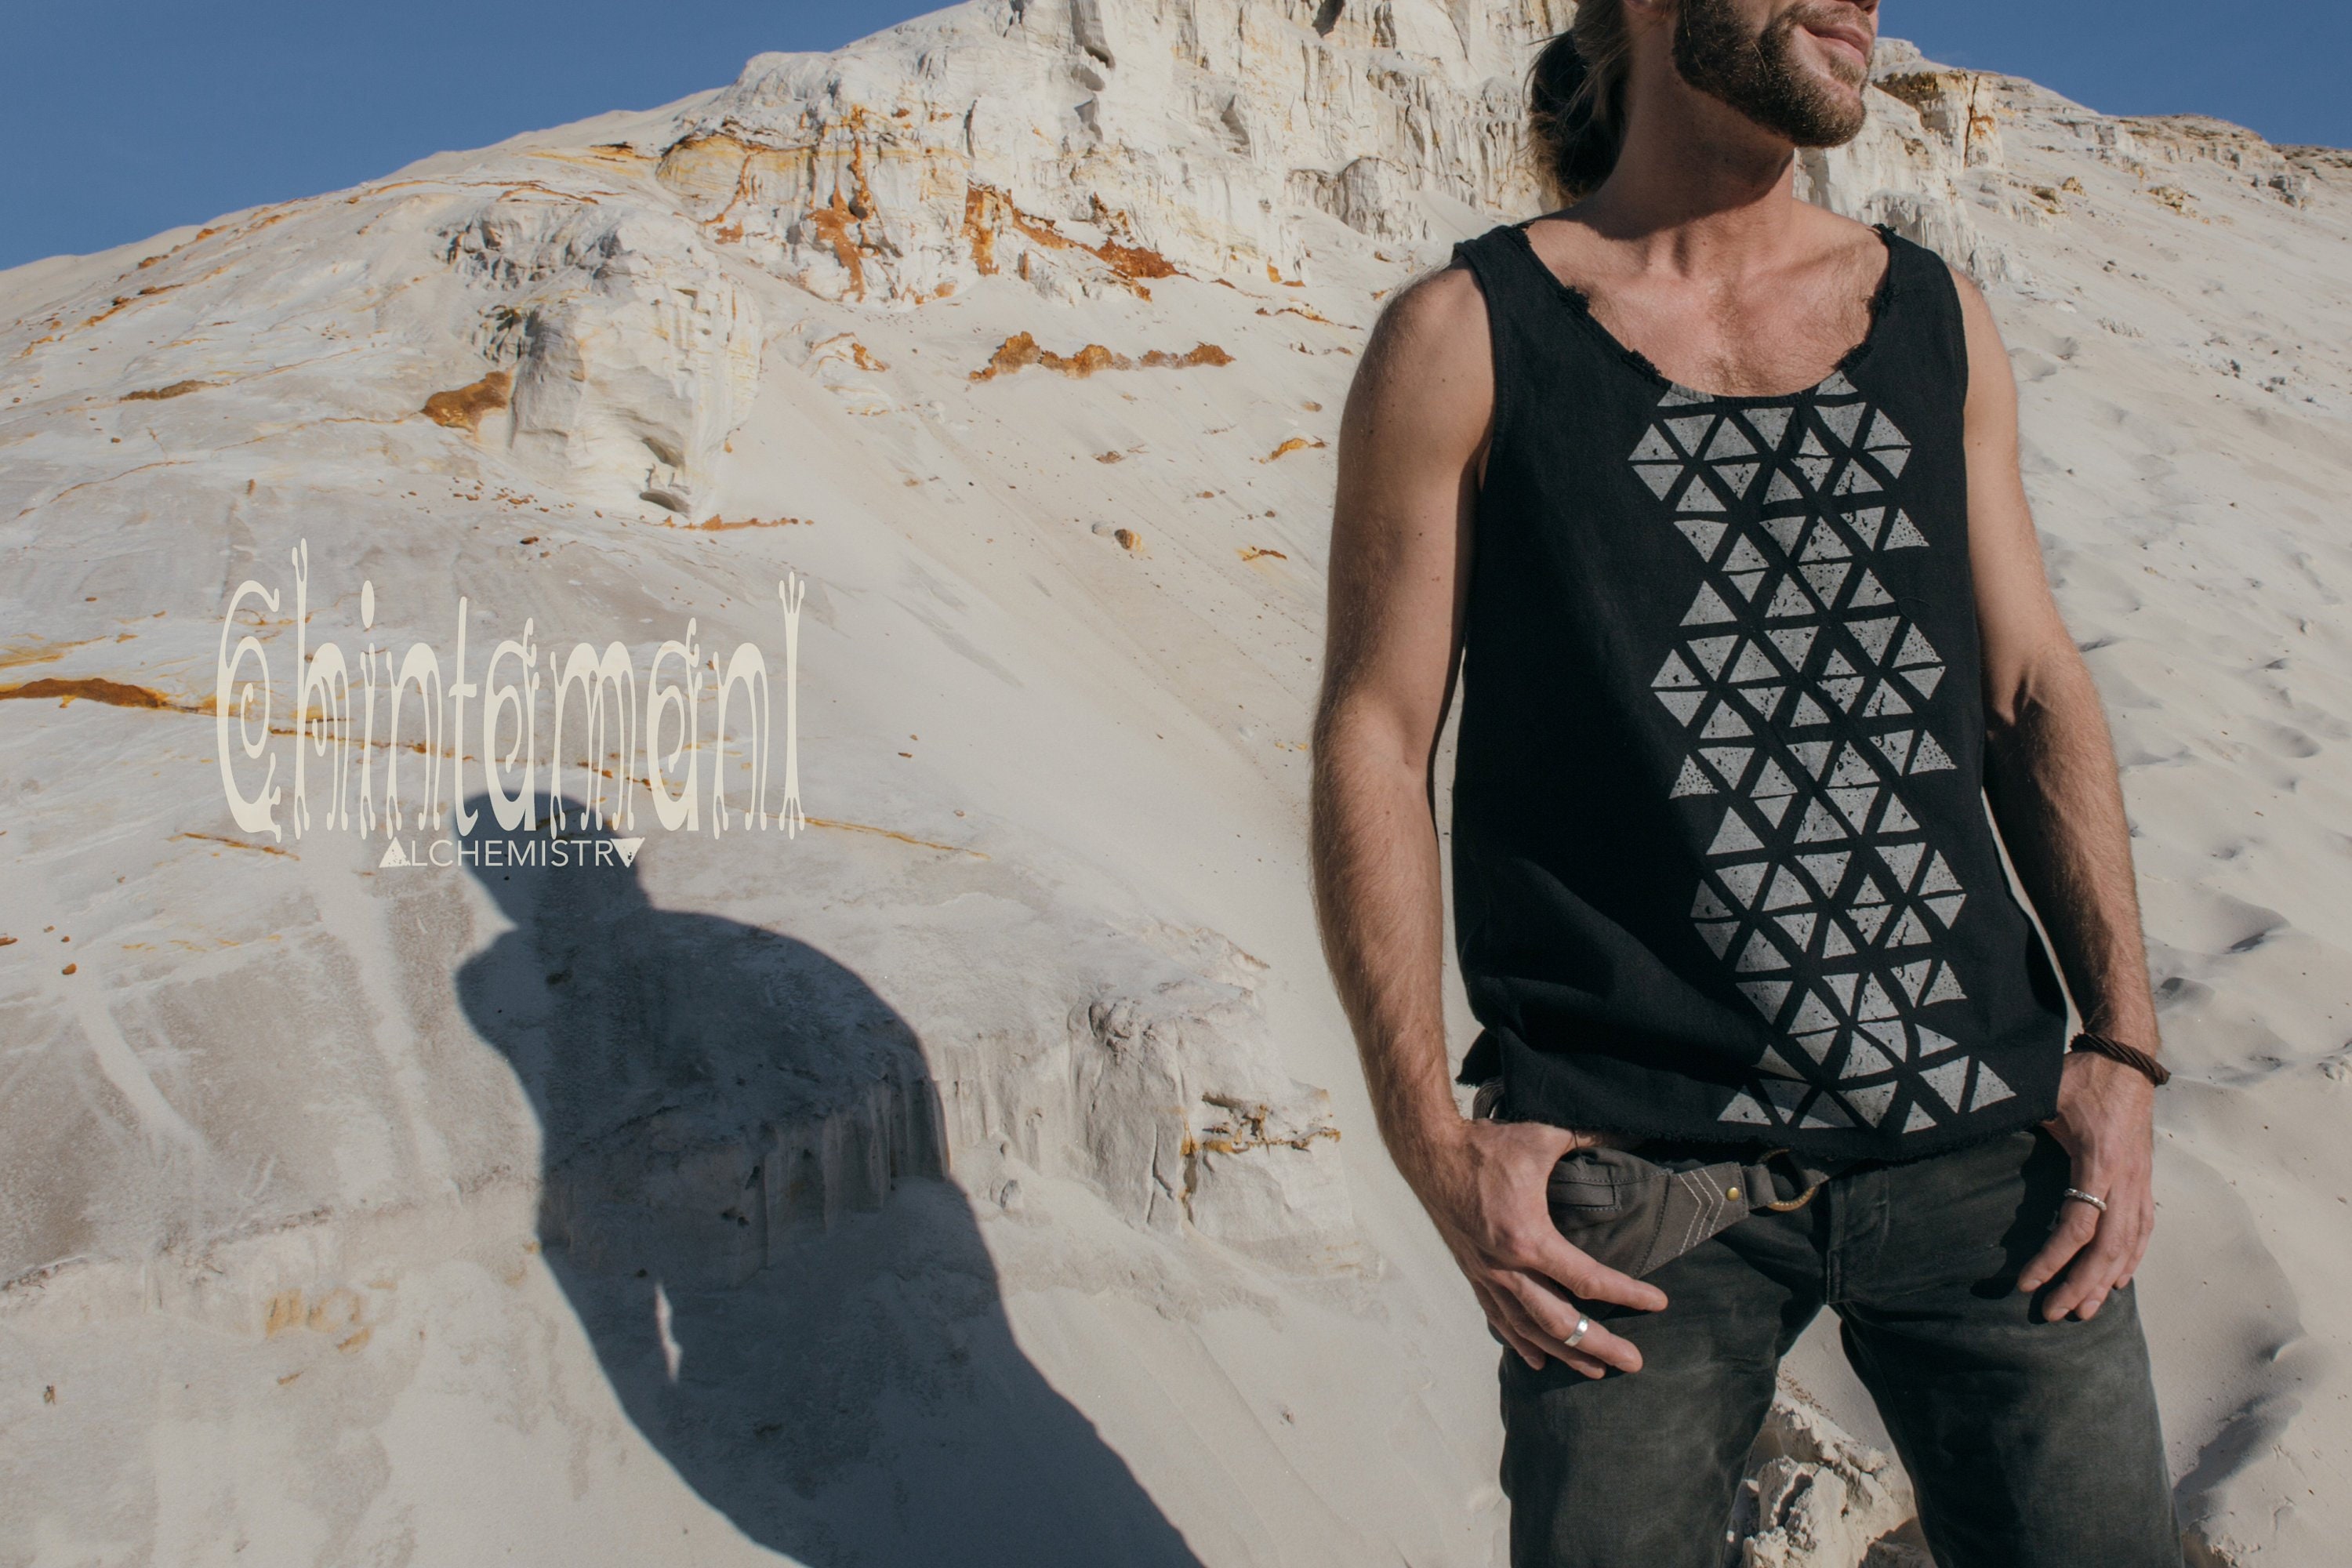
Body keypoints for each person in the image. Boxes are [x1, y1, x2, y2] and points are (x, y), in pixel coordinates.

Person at [1306, 2, 2183, 1563]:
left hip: (1985, 1150)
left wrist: (2123, 1043)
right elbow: (1375, 731)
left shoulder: (1932, 316)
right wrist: (1429, 1138)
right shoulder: (1469, 334)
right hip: (1632, 1186)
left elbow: (2030, 682)